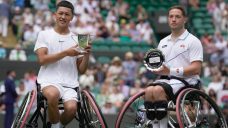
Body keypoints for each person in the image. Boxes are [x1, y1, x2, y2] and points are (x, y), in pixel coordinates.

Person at [34, 1, 91, 128]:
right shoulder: (44, 34)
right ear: (55, 15)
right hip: (48, 81)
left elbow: (82, 70)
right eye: (60, 13)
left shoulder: (80, 39)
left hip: (70, 84)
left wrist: (86, 55)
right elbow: (42, 60)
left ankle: (56, 125)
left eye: (67, 14)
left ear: (72, 18)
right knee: (53, 95)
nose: (63, 17)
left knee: (71, 109)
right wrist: (66, 53)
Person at [144, 5, 203, 128]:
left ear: (185, 19)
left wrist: (170, 71)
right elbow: (161, 69)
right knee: (149, 90)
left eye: (177, 16)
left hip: (187, 82)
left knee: (158, 89)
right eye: (171, 16)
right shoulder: (162, 42)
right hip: (166, 81)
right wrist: (155, 69)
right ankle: (156, 126)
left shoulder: (193, 41)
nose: (174, 19)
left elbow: (196, 68)